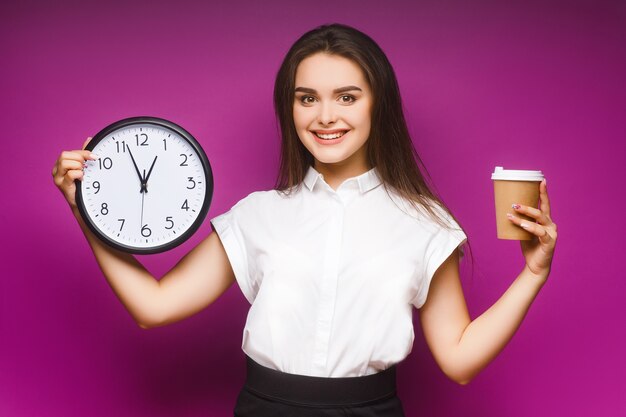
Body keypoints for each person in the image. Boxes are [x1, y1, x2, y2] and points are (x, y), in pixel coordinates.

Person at [52, 23, 558, 417]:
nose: (325, 116)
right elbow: (153, 306)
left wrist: (533, 274)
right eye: (307, 98)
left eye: (347, 96)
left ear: (377, 104)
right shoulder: (258, 214)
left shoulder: (426, 223)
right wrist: (86, 211)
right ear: (290, 108)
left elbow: (459, 360)